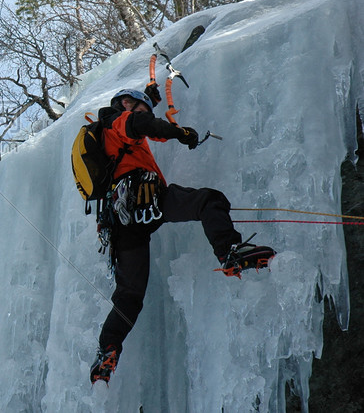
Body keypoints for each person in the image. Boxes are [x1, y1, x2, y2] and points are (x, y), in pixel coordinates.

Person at [89, 88, 275, 385]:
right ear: (126, 103)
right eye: (140, 107)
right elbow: (146, 125)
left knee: (129, 296)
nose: (145, 113)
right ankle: (230, 252)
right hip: (144, 198)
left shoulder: (112, 133)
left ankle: (107, 350)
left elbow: (151, 129)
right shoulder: (118, 121)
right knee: (208, 201)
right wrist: (184, 133)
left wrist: (153, 102)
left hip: (123, 220)